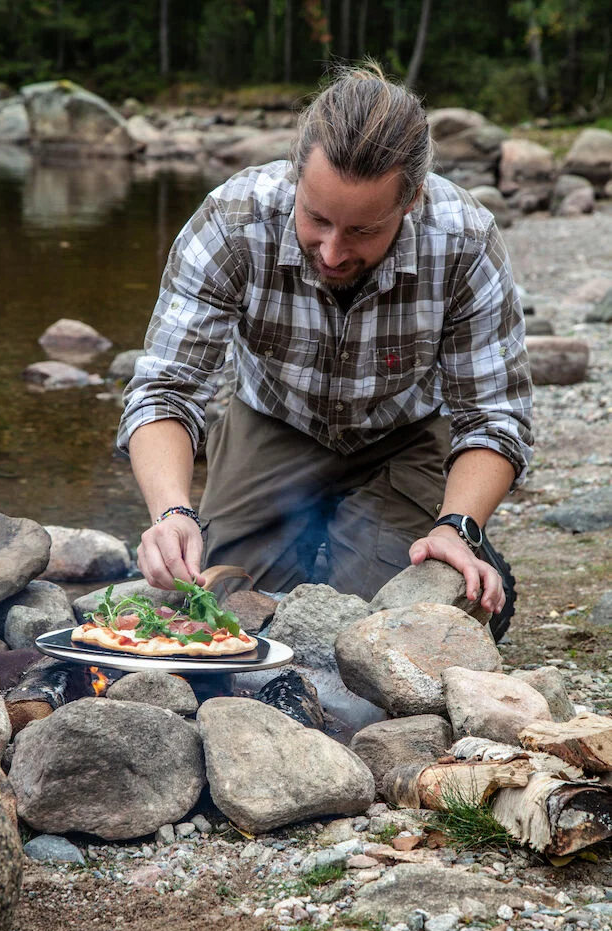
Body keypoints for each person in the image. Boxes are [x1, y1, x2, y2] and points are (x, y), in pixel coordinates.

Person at [118, 62, 533, 619]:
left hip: (404, 435)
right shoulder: (231, 223)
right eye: (316, 219)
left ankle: (465, 547)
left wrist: (456, 526)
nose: (333, 253)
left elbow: (494, 417)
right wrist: (172, 513)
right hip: (274, 420)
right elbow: (166, 389)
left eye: (363, 230)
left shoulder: (465, 241)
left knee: (385, 618)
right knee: (218, 607)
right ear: (296, 176)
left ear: (410, 201)